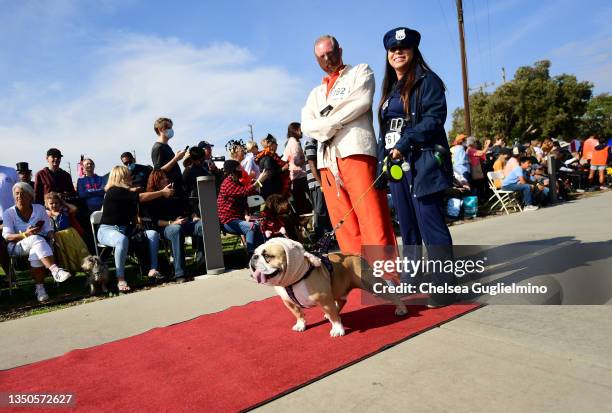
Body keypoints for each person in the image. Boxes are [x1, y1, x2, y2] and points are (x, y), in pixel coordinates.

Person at [301, 34, 396, 255]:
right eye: (321, 56)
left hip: (357, 151)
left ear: (340, 51)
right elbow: (307, 124)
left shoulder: (360, 71)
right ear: (317, 60)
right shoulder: (315, 93)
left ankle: (386, 274)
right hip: (326, 161)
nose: (327, 59)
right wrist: (333, 122)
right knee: (343, 224)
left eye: (331, 53)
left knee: (371, 215)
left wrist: (326, 124)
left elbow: (361, 102)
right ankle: (357, 275)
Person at [377, 27, 454, 248]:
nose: (398, 52)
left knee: (431, 226)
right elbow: (385, 132)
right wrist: (381, 167)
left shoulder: (428, 80)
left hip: (422, 162)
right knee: (408, 230)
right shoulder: (390, 90)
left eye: (404, 47)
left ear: (414, 50)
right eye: (393, 48)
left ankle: (443, 280)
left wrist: (405, 143)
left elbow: (433, 118)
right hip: (396, 167)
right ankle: (413, 278)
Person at [97, 166, 173, 291]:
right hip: (107, 231)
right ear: (121, 177)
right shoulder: (113, 191)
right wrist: (162, 192)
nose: (131, 177)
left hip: (126, 231)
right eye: (128, 175)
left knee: (152, 234)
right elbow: (140, 198)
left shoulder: (125, 193)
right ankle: (120, 279)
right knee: (121, 240)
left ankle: (153, 269)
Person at [2, 183, 72, 302]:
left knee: (36, 247)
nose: (19, 196)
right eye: (17, 193)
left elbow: (48, 228)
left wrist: (51, 235)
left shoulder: (39, 208)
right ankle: (55, 270)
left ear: (30, 196)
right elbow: (7, 236)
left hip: (40, 244)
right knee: (36, 239)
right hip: (17, 246)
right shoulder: (9, 213)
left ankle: (40, 290)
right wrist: (26, 234)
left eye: (22, 193)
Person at [144, 169, 204, 282]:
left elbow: (188, 207)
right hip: (165, 227)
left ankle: (202, 265)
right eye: (163, 178)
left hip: (183, 222)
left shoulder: (174, 192)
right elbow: (155, 221)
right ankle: (180, 273)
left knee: (203, 225)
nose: (166, 179)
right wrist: (172, 223)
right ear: (156, 181)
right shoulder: (153, 198)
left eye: (166, 177)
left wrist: (194, 215)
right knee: (176, 229)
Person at [217, 160, 266, 254]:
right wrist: (259, 181)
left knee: (261, 224)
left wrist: (246, 215)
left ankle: (262, 252)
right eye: (239, 168)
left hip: (238, 218)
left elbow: (245, 198)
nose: (241, 170)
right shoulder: (227, 184)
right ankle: (252, 255)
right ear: (232, 170)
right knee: (250, 227)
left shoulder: (237, 183)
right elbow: (244, 192)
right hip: (228, 221)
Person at [44, 192, 89, 273]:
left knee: (74, 250)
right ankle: (67, 270)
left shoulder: (64, 210)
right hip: (56, 236)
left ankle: (81, 266)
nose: (54, 205)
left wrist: (64, 202)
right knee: (62, 254)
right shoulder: (46, 214)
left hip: (69, 234)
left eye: (56, 203)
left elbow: (74, 208)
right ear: (47, 204)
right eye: (51, 203)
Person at [303, 136, 332, 241]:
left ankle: (327, 236)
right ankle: (320, 238)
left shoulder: (318, 144)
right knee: (320, 211)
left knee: (324, 211)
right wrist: (321, 183)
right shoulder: (310, 144)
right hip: (316, 183)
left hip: (320, 182)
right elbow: (312, 166)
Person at [151, 117, 186, 198]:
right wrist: (176, 158)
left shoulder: (166, 146)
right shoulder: (158, 147)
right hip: (170, 190)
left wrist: (177, 158)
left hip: (176, 188)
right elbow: (159, 171)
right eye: (168, 128)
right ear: (160, 129)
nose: (171, 130)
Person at [283, 122, 311, 214]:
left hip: (294, 177)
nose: (302, 131)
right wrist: (305, 158)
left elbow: (285, 159)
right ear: (295, 130)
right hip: (300, 176)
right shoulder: (295, 143)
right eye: (300, 129)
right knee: (308, 202)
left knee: (300, 204)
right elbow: (296, 162)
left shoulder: (289, 142)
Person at [255, 134, 290, 200]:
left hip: (270, 189)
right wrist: (283, 169)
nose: (277, 145)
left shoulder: (266, 156)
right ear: (271, 145)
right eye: (276, 144)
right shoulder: (268, 158)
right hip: (272, 191)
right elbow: (269, 175)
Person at [0, 165, 19, 276]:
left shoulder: (10, 171)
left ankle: (38, 279)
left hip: (13, 218)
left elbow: (21, 192)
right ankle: (10, 276)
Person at [182, 146, 209, 214]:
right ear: (193, 159)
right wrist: (192, 214)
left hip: (206, 204)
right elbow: (184, 193)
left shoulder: (204, 170)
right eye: (200, 160)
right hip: (193, 208)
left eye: (203, 159)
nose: (201, 162)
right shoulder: (187, 171)